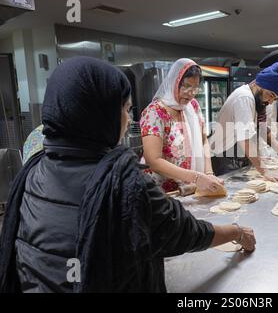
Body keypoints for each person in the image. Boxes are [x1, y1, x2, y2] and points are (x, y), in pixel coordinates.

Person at [0, 57, 256, 293]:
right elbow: (182, 233)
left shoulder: (32, 170)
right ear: (104, 115)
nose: (128, 119)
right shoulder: (122, 182)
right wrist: (236, 232)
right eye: (126, 110)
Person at [140, 58, 223, 193]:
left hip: (190, 188)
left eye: (195, 88)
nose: (191, 93)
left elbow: (204, 141)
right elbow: (153, 160)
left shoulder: (193, 106)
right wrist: (196, 177)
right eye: (185, 86)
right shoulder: (155, 112)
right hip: (162, 192)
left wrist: (209, 173)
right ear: (174, 82)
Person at [210, 62, 278, 181]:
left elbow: (263, 129)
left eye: (274, 99)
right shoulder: (244, 97)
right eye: (271, 95)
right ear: (259, 84)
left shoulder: (258, 100)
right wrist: (265, 171)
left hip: (239, 155)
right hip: (225, 156)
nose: (270, 101)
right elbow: (245, 139)